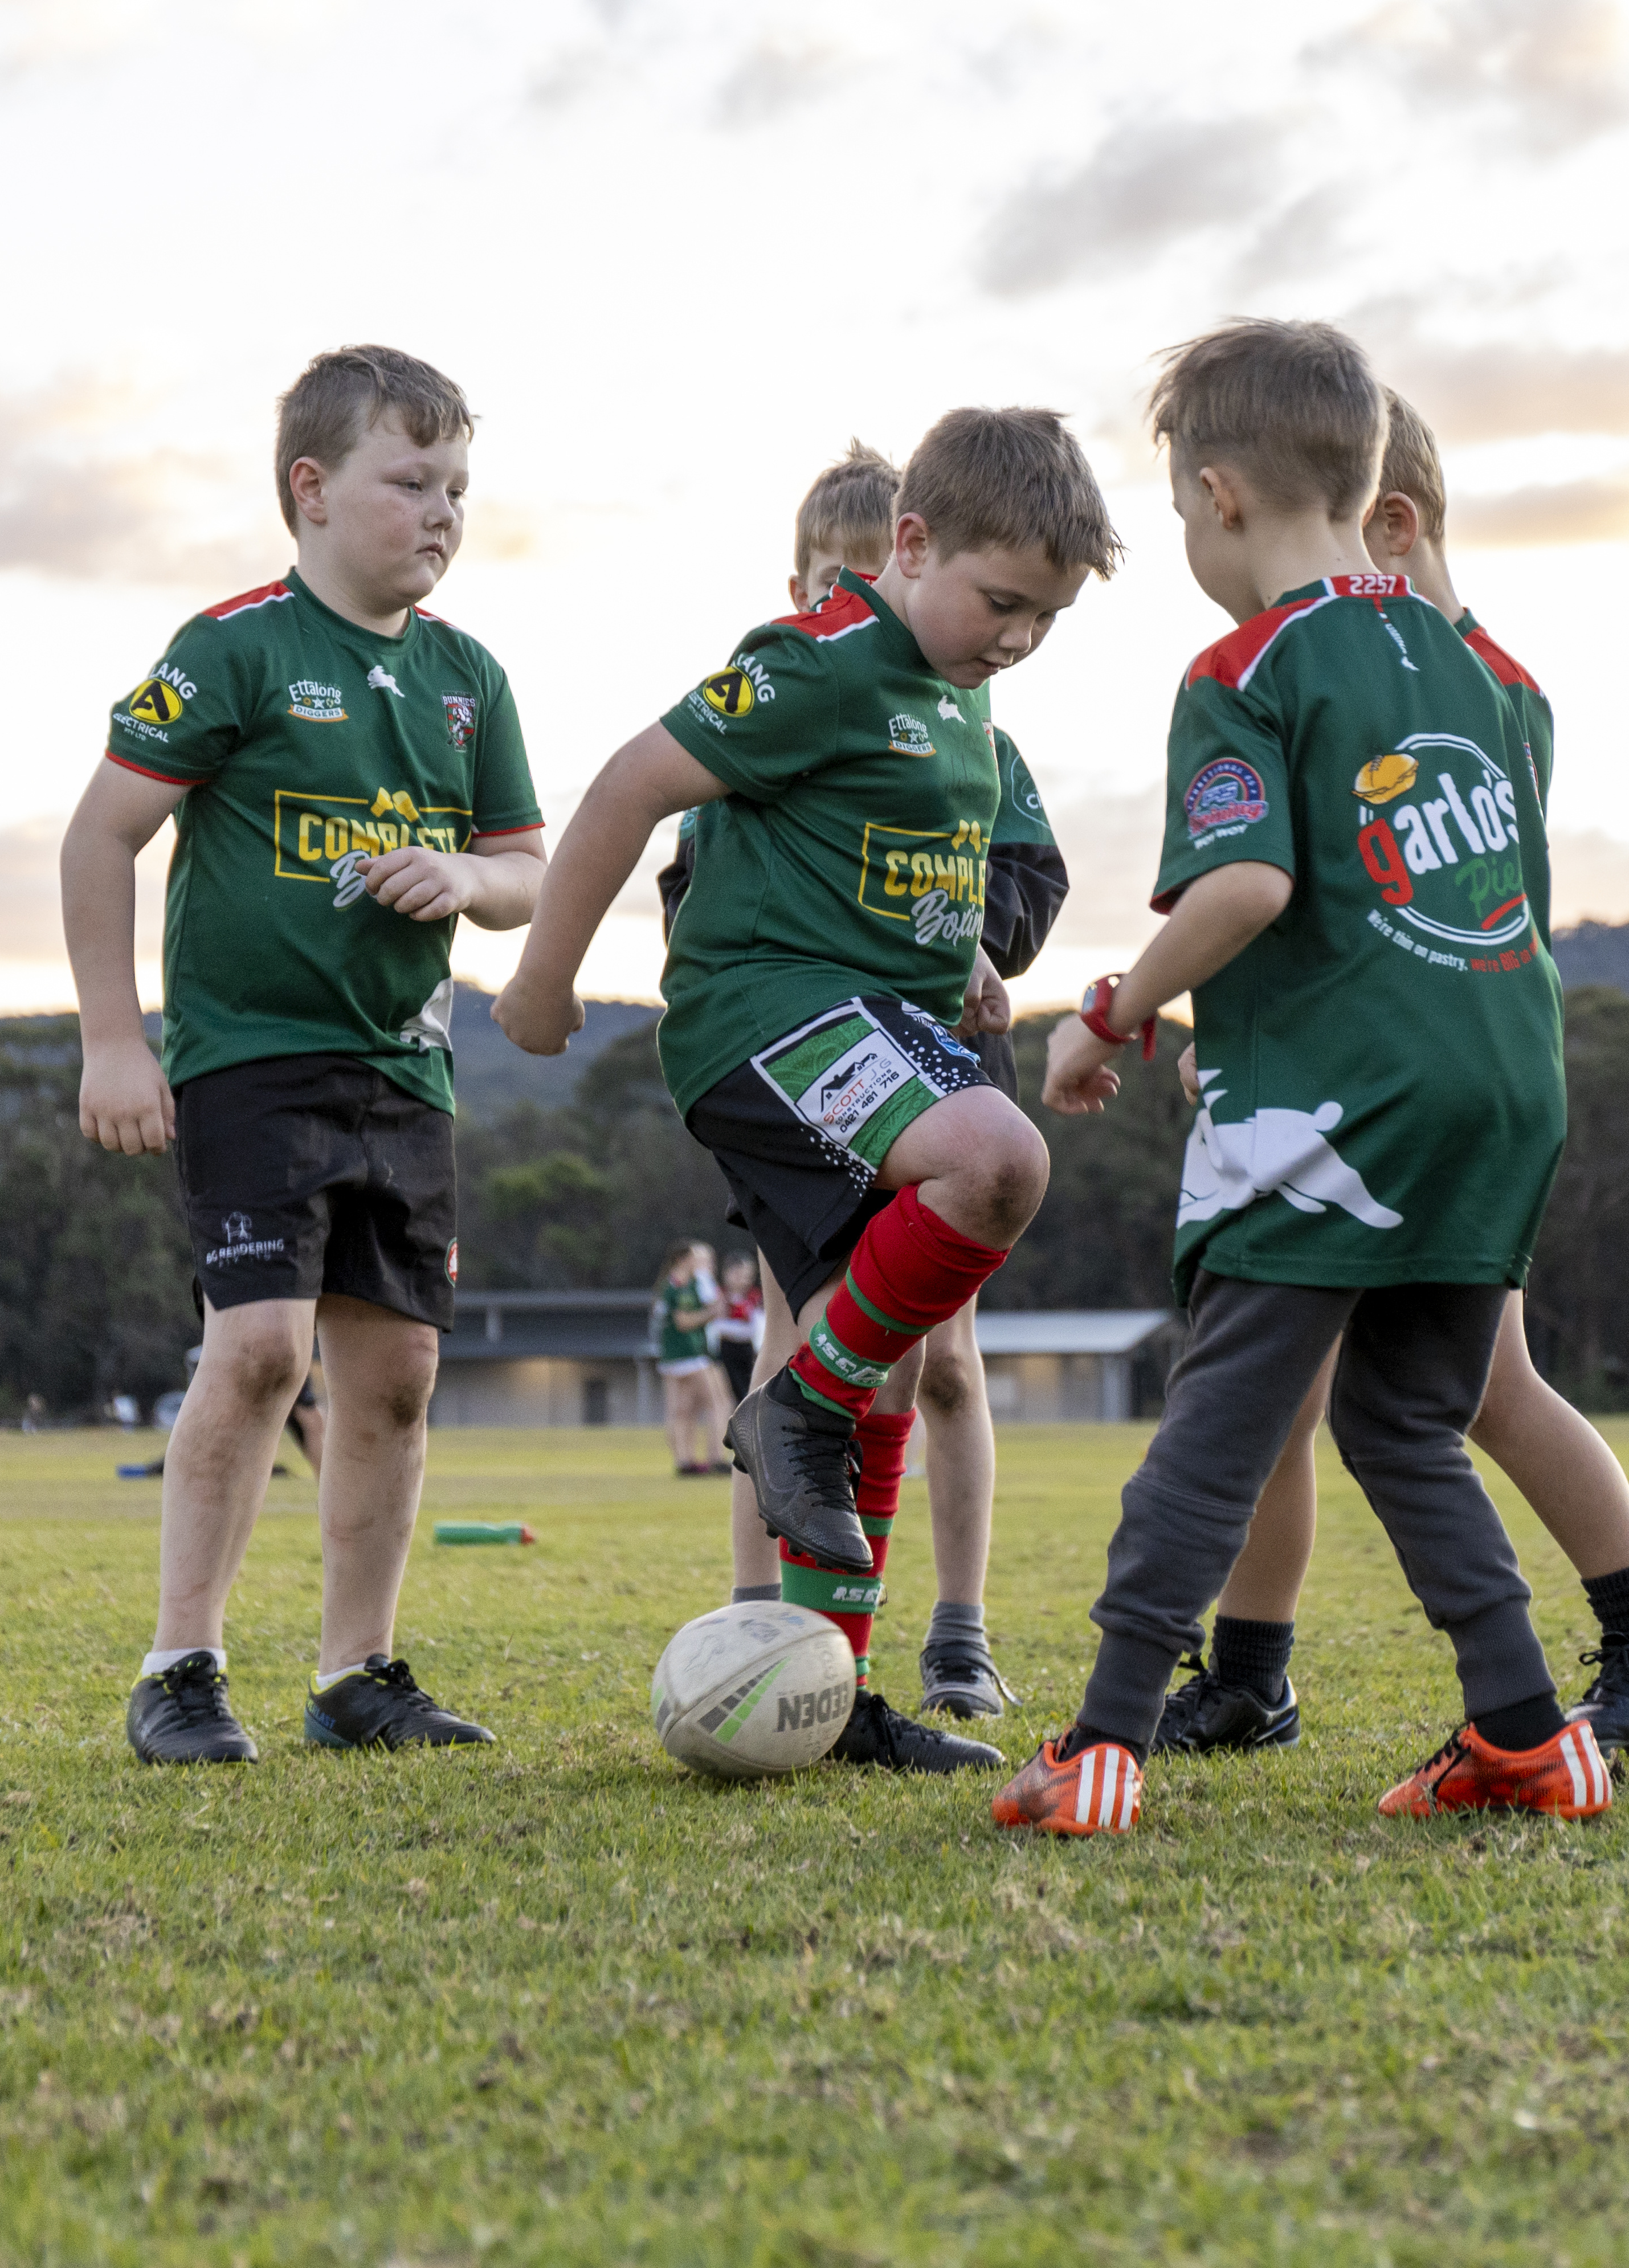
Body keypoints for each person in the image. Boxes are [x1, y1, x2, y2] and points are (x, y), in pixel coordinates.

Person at [994, 318, 1603, 1837]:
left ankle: (1102, 1740)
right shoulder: (1496, 673)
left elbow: (1248, 885)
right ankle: (1527, 1729)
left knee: (1220, 1416)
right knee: (1403, 1419)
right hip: (1508, 1087)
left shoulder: (1245, 668)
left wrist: (1111, 1010)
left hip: (1334, 1107)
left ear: (1216, 498)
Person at [499, 406, 1118, 1775]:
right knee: (998, 1162)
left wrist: (961, 953)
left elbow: (910, 868)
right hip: (761, 1017)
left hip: (882, 1023)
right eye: (1001, 600)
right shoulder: (820, 660)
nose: (1015, 637)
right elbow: (627, 787)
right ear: (908, 543)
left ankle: (828, 1692)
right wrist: (545, 979)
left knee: (886, 1349)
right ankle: (793, 1405)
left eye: (1046, 618)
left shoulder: (966, 701)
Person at [1154, 387, 1629, 1765]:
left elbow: (1389, 897)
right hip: (1425, 1072)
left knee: (1476, 1381)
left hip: (1420, 1089)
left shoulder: (1445, 680)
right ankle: (1251, 1670)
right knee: (1300, 1386)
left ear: (1388, 526)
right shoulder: (1483, 684)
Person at [63, 344, 546, 1765]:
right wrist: (112, 1038)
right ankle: (182, 1666)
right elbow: (103, 833)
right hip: (250, 1061)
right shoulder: (234, 647)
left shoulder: (471, 680)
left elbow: (529, 869)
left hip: (407, 1073)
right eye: (412, 481)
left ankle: (357, 1675)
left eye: (458, 486)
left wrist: (464, 877)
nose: (443, 510)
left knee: (393, 1375)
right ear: (313, 489)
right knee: (263, 1346)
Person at [682, 443, 1072, 1725]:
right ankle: (778, 1635)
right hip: (814, 1056)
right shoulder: (786, 694)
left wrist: (966, 945)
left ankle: (951, 1633)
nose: (847, 607)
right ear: (800, 583)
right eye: (825, 584)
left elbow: (1021, 887)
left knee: (931, 1359)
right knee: (806, 1351)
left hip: (947, 1062)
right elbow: (708, 889)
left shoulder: (975, 723)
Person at [652, 1241, 731, 1477]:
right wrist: (711, 1313)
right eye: (699, 1259)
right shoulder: (677, 1287)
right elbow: (683, 1322)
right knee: (719, 1402)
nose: (705, 1264)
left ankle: (684, 1462)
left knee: (683, 1410)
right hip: (688, 1354)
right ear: (684, 1260)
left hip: (677, 1355)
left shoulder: (689, 1284)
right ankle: (716, 1458)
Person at [709, 1251, 764, 1410]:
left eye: (748, 1275)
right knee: (727, 1392)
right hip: (725, 1349)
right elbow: (715, 1325)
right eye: (738, 1274)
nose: (744, 1280)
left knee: (747, 1390)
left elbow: (757, 1326)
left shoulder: (755, 1297)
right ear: (726, 1273)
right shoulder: (719, 1296)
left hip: (747, 1349)